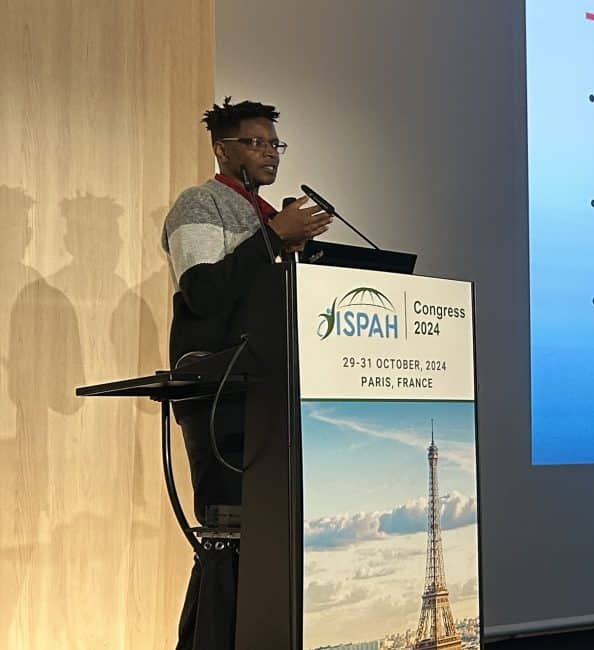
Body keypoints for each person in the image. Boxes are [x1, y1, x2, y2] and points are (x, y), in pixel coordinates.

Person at [161, 98, 331, 649]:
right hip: (221, 394)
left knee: (271, 539)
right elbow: (204, 292)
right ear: (222, 149)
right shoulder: (200, 203)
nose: (270, 154)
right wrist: (275, 237)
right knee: (229, 537)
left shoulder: (266, 215)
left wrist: (297, 250)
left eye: (275, 144)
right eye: (255, 143)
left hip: (272, 390)